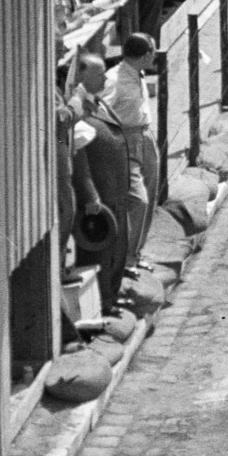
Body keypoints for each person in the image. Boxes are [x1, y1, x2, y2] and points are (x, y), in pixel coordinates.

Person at [67, 54, 146, 305]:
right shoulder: (78, 111)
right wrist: (90, 195)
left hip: (116, 189)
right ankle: (104, 303)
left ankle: (112, 294)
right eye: (99, 73)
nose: (105, 77)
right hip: (100, 195)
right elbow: (78, 156)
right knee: (101, 253)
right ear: (81, 76)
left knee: (118, 249)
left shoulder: (99, 102)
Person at [106, 33, 161, 236]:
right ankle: (127, 257)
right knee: (138, 200)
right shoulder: (113, 79)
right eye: (153, 52)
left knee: (151, 189)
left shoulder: (138, 73)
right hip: (127, 139)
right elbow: (101, 110)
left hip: (145, 134)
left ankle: (136, 253)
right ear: (146, 55)